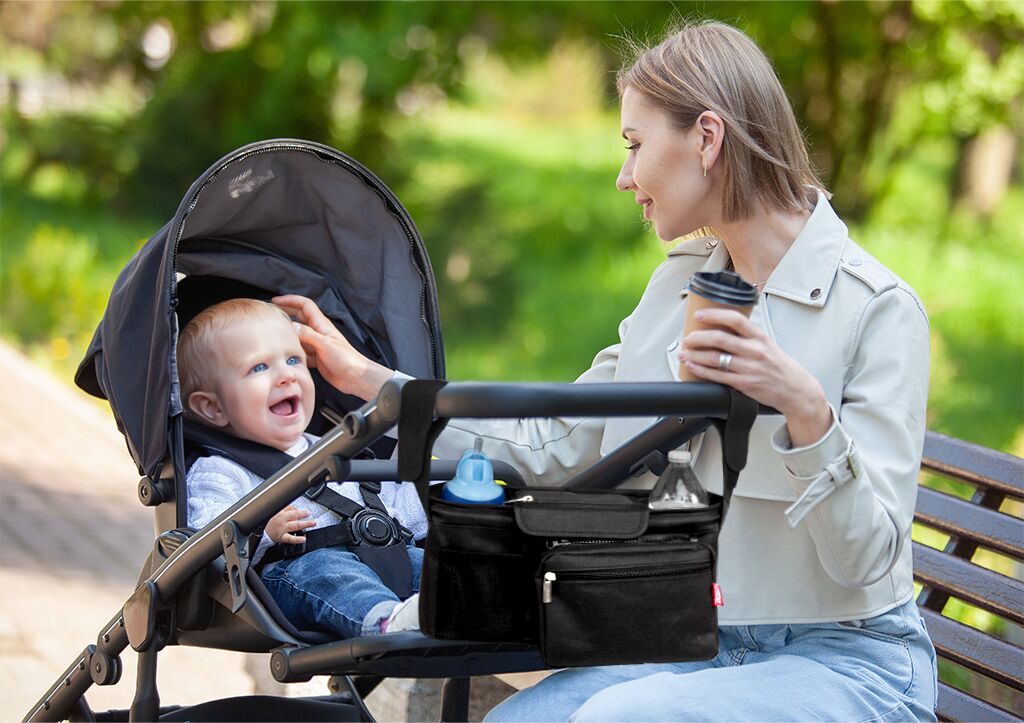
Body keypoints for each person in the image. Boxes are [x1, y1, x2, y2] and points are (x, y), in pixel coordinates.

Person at [274, 19, 936, 721]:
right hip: (705, 645)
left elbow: (869, 562)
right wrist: (377, 385)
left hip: (846, 659)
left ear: (707, 140)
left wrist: (807, 413)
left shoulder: (878, 311)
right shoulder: (680, 288)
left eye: (635, 144)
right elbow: (562, 440)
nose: (624, 177)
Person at [179, 298, 424, 639]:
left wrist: (435, 495)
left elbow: (398, 506)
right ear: (213, 407)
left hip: (385, 556)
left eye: (293, 359)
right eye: (258, 368)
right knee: (330, 572)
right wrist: (261, 528)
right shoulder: (220, 470)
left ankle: (472, 610)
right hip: (294, 574)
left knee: (433, 567)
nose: (285, 376)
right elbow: (205, 540)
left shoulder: (341, 443)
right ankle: (384, 623)